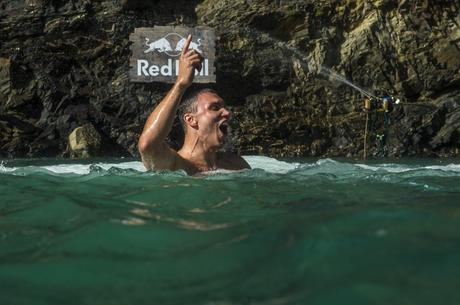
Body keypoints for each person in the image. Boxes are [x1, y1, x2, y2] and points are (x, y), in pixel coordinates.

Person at [138, 34, 251, 175]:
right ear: (191, 120)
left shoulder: (236, 164)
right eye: (215, 108)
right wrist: (181, 84)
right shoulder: (175, 164)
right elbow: (148, 144)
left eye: (225, 108)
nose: (227, 113)